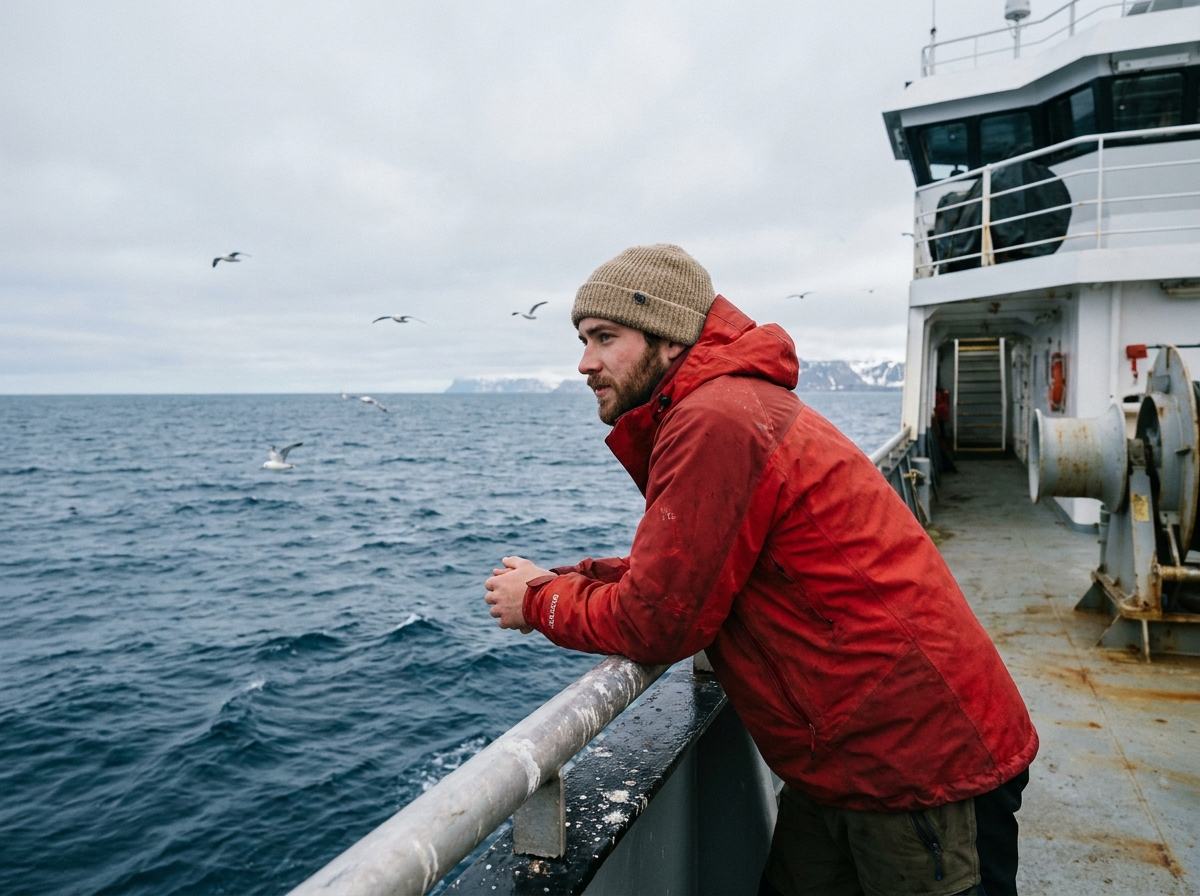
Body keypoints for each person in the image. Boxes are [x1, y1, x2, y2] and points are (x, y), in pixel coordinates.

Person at [483, 244, 1037, 896]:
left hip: (914, 765)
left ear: (667, 338)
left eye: (605, 337)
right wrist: (568, 576)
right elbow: (697, 563)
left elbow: (660, 621)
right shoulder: (729, 405)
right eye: (582, 340)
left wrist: (543, 602)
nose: (585, 362)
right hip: (846, 761)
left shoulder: (715, 418)